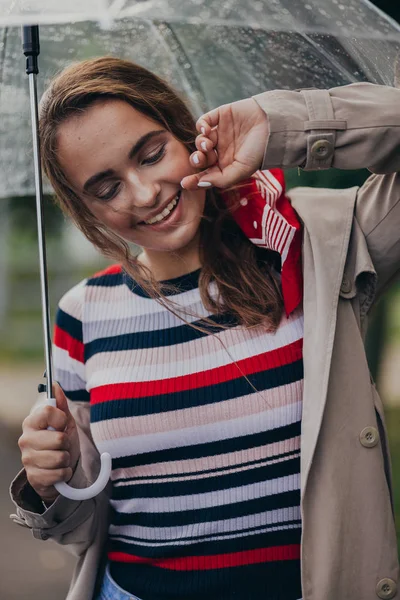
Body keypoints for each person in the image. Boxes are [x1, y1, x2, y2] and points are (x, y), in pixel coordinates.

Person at [9, 56, 400, 600]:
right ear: (83, 208)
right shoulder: (83, 313)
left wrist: (280, 124)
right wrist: (60, 476)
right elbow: (83, 531)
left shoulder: (311, 242)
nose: (144, 194)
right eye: (105, 188)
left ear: (182, 130)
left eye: (151, 154)